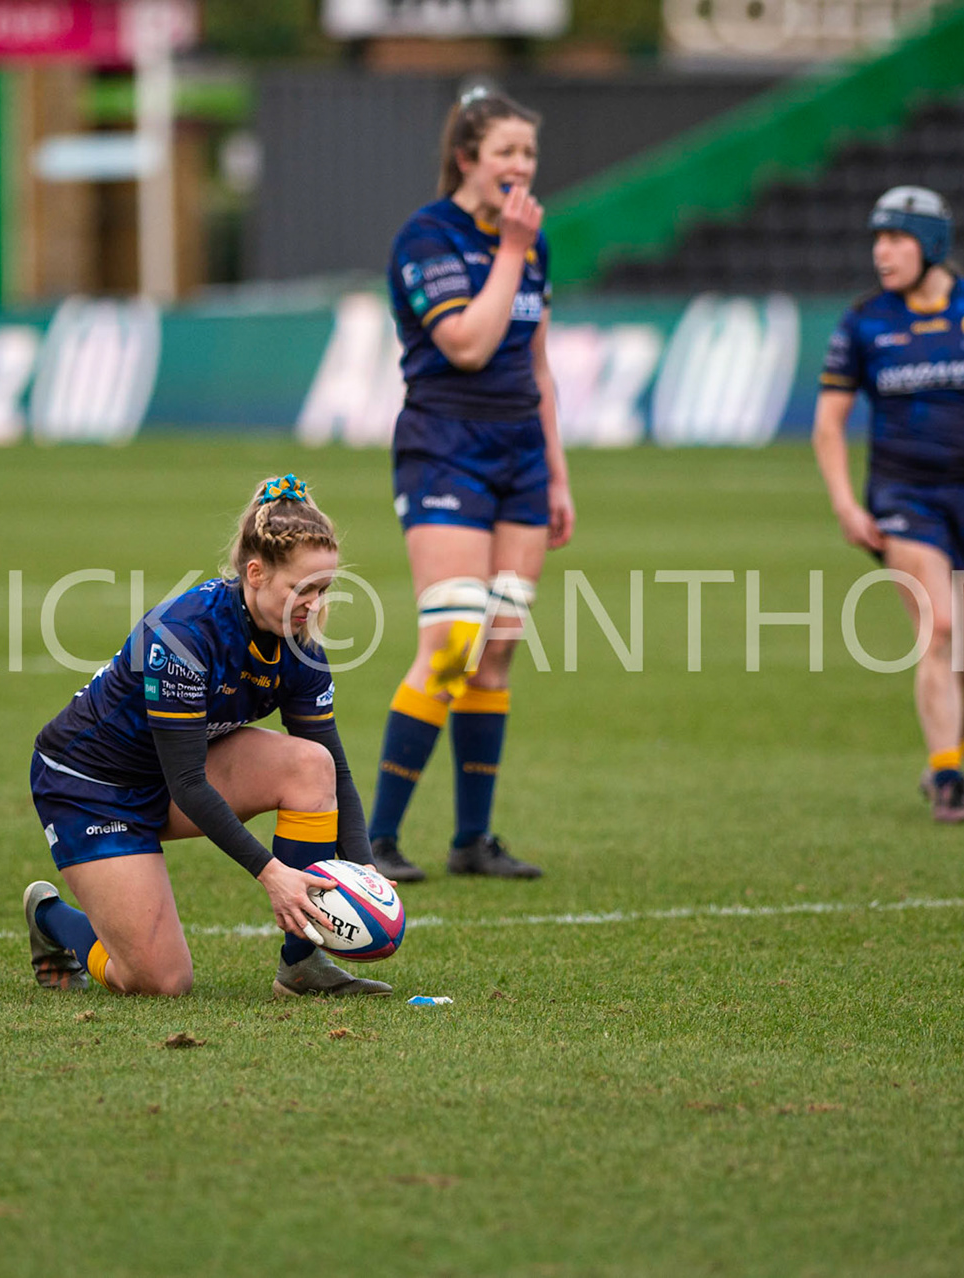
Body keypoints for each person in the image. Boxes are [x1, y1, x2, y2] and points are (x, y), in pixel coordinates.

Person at [19, 475, 391, 998]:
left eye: (324, 588)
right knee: (161, 982)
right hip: (91, 788)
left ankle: (301, 966)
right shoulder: (185, 635)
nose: (313, 603)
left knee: (310, 765)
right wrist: (271, 872)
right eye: (301, 589)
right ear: (256, 573)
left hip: (175, 774)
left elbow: (337, 768)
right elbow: (190, 782)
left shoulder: (300, 643)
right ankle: (52, 918)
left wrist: (366, 873)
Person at [364, 85, 575, 884]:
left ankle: (472, 841)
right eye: (506, 154)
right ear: (467, 159)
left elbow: (537, 364)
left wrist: (556, 473)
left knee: (494, 654)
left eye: (529, 153)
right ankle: (376, 840)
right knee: (449, 643)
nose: (521, 168)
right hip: (445, 450)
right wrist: (514, 249)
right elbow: (467, 345)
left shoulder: (534, 244)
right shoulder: (428, 238)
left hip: (521, 456)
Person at [811, 186, 964, 823]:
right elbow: (829, 425)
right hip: (900, 498)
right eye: (877, 240)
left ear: (932, 244)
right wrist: (844, 505)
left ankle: (949, 754)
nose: (882, 252)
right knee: (937, 630)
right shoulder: (864, 322)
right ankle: (949, 782)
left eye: (896, 239)